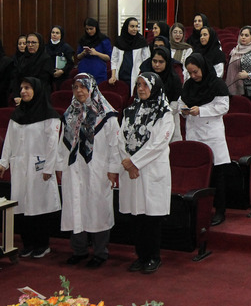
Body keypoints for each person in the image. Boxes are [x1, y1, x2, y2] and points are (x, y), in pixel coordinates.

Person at [58, 74, 120, 269]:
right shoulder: (70, 114)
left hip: (98, 169)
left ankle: (100, 253)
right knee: (76, 207)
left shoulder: (107, 115)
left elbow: (115, 145)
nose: (79, 91)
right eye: (75, 87)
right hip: (73, 168)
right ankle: (79, 250)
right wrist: (59, 166)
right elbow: (62, 144)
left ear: (92, 88)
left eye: (83, 87)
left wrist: (113, 169)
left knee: (97, 210)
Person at [0, 76, 61, 259]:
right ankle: (28, 243)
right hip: (19, 166)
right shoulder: (17, 115)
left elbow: (53, 144)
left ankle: (42, 244)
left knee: (39, 206)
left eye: (27, 88)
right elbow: (9, 140)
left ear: (37, 90)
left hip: (40, 168)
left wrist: (49, 168)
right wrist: (3, 163)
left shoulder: (50, 115)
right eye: (22, 88)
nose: (23, 91)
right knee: (21, 206)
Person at [118, 72, 174, 274]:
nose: (140, 89)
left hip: (152, 169)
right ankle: (141, 256)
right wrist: (128, 162)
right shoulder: (130, 110)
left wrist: (134, 162)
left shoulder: (164, 113)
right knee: (136, 216)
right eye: (138, 85)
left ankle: (153, 257)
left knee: (152, 217)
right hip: (132, 171)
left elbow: (159, 143)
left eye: (145, 85)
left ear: (155, 87)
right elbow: (120, 138)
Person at [179, 53, 232, 226]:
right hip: (194, 132)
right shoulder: (188, 85)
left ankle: (220, 210)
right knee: (198, 174)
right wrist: (184, 110)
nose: (193, 76)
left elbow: (223, 107)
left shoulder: (217, 84)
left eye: (196, 72)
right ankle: (199, 209)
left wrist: (201, 110)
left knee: (217, 175)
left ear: (203, 67)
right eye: (190, 72)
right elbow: (180, 102)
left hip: (212, 134)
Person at [143, 47, 183, 141]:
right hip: (147, 118)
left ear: (167, 62)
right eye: (154, 61)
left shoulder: (174, 79)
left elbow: (175, 103)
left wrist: (160, 113)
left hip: (169, 118)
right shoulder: (146, 78)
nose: (157, 64)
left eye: (161, 62)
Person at [225, 25, 251, 110]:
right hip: (234, 91)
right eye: (242, 35)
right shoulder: (233, 52)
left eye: (246, 35)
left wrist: (248, 75)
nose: (243, 37)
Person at [110, 17, 151, 97]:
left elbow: (147, 60)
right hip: (121, 76)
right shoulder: (119, 41)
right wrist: (113, 75)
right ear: (126, 27)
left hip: (136, 75)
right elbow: (114, 60)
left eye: (136, 26)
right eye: (132, 26)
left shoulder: (141, 41)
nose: (135, 29)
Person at [12, 32, 54, 103]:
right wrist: (17, 95)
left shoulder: (46, 59)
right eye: (28, 42)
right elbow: (16, 78)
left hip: (39, 96)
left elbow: (44, 82)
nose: (30, 45)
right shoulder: (22, 59)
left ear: (40, 44)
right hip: (22, 94)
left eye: (33, 42)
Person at [76, 17, 112, 84]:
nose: (89, 31)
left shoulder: (103, 39)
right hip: (84, 68)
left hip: (98, 70)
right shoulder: (83, 39)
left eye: (91, 29)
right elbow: (78, 56)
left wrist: (96, 53)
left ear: (96, 28)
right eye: (87, 29)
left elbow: (108, 57)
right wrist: (83, 53)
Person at [47, 25, 76, 89]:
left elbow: (70, 63)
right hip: (48, 76)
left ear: (61, 35)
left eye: (57, 33)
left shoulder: (66, 48)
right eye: (53, 32)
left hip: (62, 77)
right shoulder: (45, 47)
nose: (54, 35)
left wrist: (62, 71)